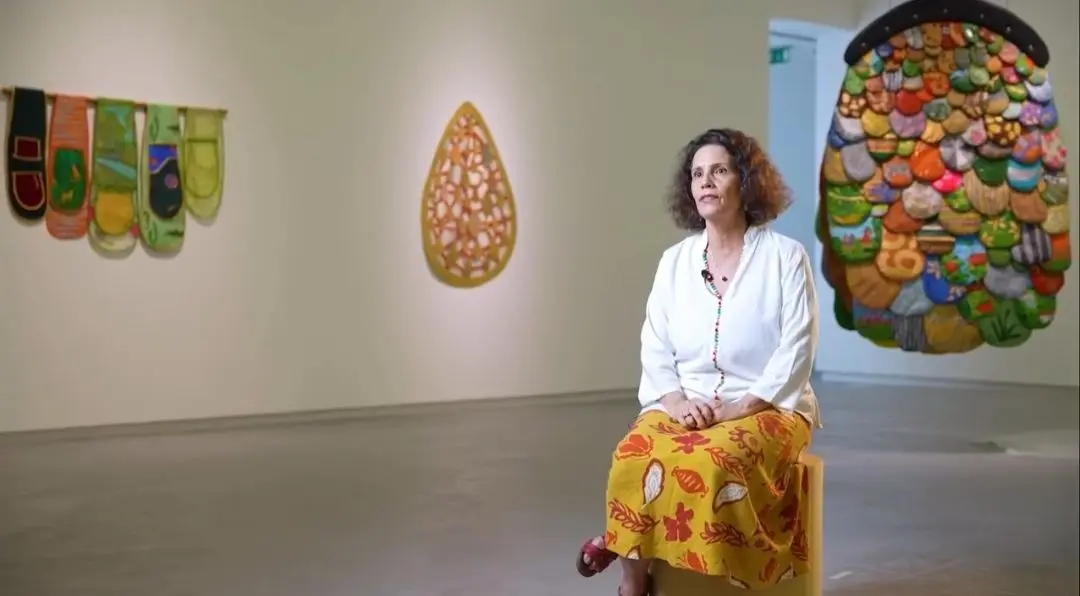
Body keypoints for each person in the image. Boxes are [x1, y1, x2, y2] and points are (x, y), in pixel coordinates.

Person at [575, 128, 822, 595]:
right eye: (697, 174)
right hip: (684, 402)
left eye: (719, 171)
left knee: (711, 462)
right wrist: (675, 402)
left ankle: (631, 541)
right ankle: (633, 583)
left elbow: (797, 348)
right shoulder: (674, 262)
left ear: (745, 182)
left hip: (766, 406)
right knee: (632, 455)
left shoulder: (786, 258)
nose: (705, 181)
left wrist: (738, 408)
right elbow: (654, 342)